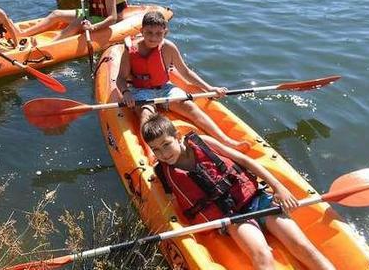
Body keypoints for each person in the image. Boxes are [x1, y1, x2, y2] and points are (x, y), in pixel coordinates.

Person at [140, 114, 336, 270]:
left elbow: (245, 161)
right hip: (231, 217)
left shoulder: (203, 142)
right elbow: (173, 202)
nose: (164, 154)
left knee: (303, 247)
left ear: (178, 137)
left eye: (166, 144)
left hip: (258, 200)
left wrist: (278, 187)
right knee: (262, 255)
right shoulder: (163, 173)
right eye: (156, 150)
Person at [117, 11, 248, 150]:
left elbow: (185, 72)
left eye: (158, 33)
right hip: (140, 90)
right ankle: (152, 152)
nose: (153, 38)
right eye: (149, 32)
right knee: (146, 115)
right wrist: (126, 92)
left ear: (165, 33)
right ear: (142, 31)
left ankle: (226, 142)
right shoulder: (131, 50)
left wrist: (209, 88)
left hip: (164, 88)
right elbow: (120, 78)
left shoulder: (169, 48)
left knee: (190, 106)